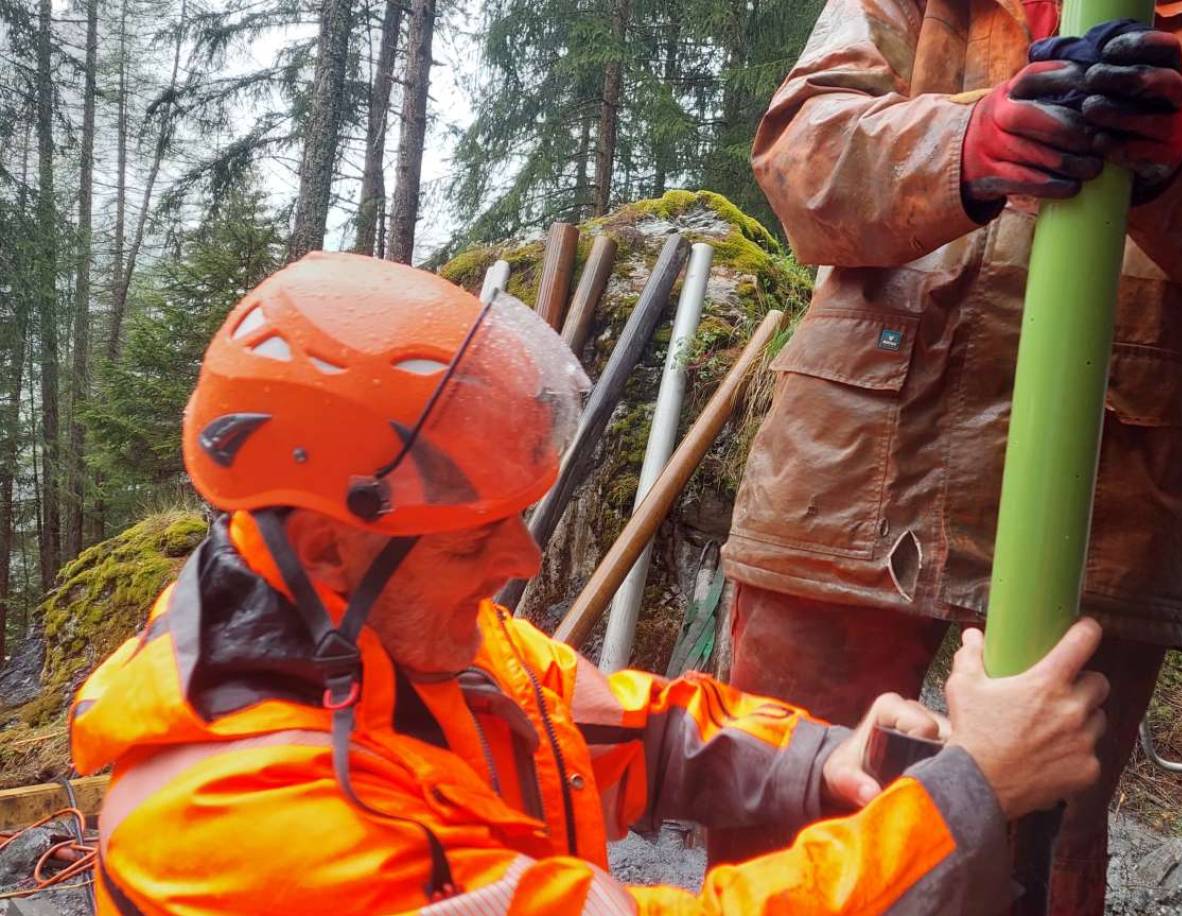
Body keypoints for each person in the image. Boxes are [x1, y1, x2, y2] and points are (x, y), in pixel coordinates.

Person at [70, 252, 1110, 914]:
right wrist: (964, 794)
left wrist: (831, 760)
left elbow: (640, 730)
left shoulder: (411, 641)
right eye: (478, 532)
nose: (523, 560)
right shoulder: (236, 819)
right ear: (329, 544)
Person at [718, 0, 1182, 909]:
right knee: (790, 796)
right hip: (852, 471)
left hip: (1108, 493)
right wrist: (970, 142)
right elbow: (798, 159)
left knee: (1043, 853)